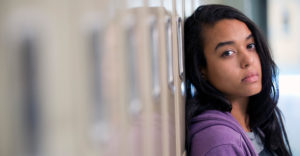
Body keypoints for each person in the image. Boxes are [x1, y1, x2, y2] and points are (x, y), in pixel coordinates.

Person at [184, 4, 292, 156]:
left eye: (250, 45)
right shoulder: (219, 142)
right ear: (201, 69)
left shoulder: (254, 119)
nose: (248, 60)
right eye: (228, 52)